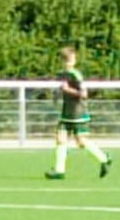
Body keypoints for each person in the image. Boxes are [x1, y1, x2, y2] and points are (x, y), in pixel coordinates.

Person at [45, 44, 112, 181]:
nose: (68, 63)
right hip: (66, 112)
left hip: (77, 112)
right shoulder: (61, 74)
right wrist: (57, 95)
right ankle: (59, 170)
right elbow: (60, 89)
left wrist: (68, 90)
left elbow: (84, 94)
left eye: (71, 60)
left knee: (81, 141)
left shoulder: (76, 75)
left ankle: (104, 159)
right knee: (60, 138)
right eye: (66, 60)